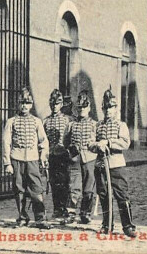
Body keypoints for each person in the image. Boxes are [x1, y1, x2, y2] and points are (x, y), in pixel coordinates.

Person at [89, 89, 136, 238]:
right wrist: (98, 145)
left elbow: (125, 143)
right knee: (104, 196)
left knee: (122, 195)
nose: (108, 110)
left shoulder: (121, 125)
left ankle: (128, 226)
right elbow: (89, 143)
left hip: (116, 165)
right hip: (101, 165)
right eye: (106, 107)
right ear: (102, 109)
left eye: (111, 107)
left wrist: (109, 142)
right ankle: (106, 224)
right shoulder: (97, 125)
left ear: (116, 109)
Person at [3, 88, 51, 229]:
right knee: (19, 190)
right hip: (16, 158)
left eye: (27, 103)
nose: (24, 106)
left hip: (32, 159)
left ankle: (40, 218)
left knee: (36, 188)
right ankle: (22, 217)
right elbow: (6, 142)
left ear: (31, 105)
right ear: (18, 104)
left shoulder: (37, 121)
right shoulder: (11, 121)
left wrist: (43, 156)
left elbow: (44, 141)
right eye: (22, 103)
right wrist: (7, 163)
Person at [63, 90, 97, 224]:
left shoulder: (94, 125)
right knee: (74, 187)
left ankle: (86, 213)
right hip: (75, 158)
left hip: (90, 158)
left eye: (84, 107)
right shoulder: (71, 124)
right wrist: (71, 148)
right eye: (80, 107)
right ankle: (71, 212)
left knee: (89, 187)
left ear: (89, 108)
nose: (82, 109)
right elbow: (65, 141)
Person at [42, 89, 71, 219]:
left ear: (61, 104)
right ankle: (56, 208)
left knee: (64, 182)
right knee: (53, 182)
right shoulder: (45, 121)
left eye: (57, 103)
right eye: (52, 103)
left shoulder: (67, 120)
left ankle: (64, 208)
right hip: (51, 155)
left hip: (63, 155)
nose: (54, 106)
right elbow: (42, 139)